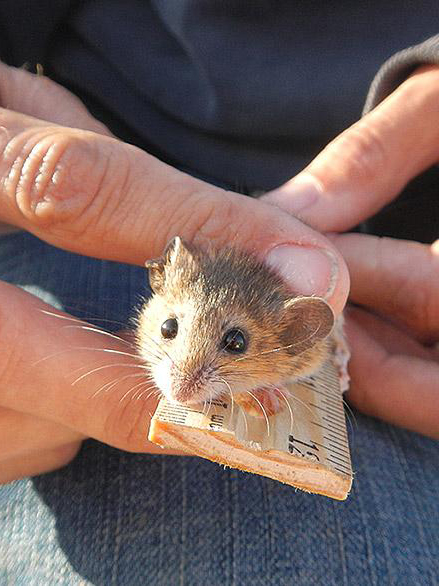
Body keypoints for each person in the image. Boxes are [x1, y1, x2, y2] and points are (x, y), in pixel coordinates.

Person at [0, 3, 437, 584]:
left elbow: (310, 352)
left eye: (233, 342)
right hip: (115, 179)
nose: (184, 379)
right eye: (173, 330)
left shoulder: (300, 332)